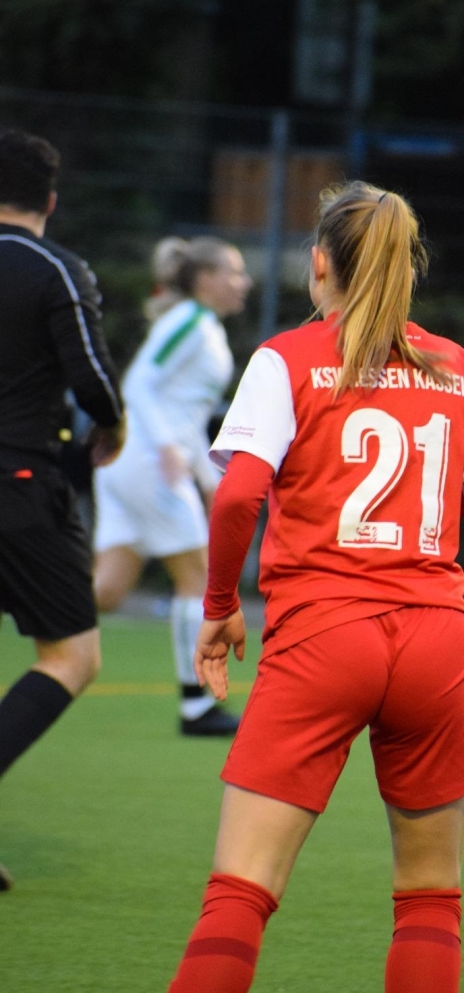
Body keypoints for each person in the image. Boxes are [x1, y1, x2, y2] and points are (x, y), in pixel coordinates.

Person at [168, 181, 464, 991]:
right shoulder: (454, 366)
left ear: (318, 265)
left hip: (323, 635)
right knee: (430, 898)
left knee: (240, 892)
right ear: (407, 269)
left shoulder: (286, 358)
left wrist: (220, 607)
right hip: (436, 641)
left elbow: (236, 495)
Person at [0, 128, 126, 890]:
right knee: (71, 657)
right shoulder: (53, 268)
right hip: (17, 482)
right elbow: (92, 381)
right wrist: (112, 425)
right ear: (49, 199)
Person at [93, 235, 253, 736]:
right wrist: (165, 448)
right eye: (233, 272)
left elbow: (185, 416)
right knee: (200, 578)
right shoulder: (189, 321)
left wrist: (207, 478)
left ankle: (16, 590)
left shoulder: (205, 326)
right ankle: (196, 706)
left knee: (106, 591)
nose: (243, 282)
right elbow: (138, 383)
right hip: (146, 463)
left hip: (135, 463)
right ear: (205, 279)